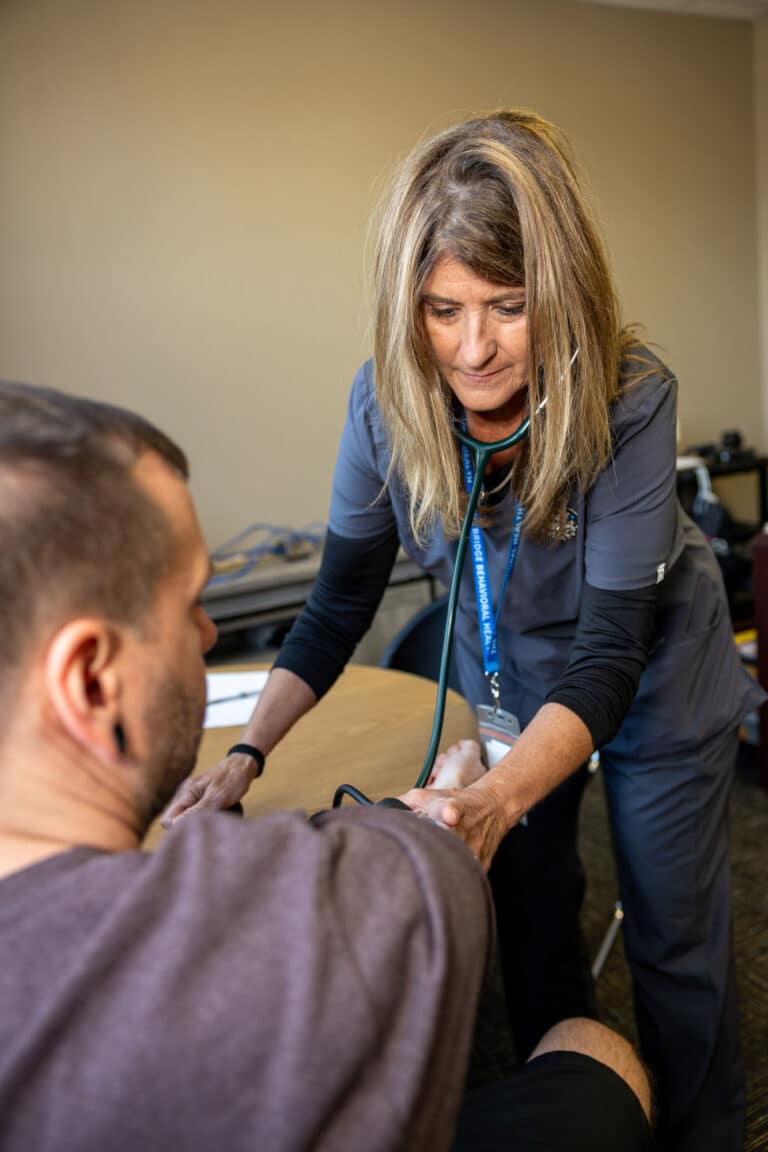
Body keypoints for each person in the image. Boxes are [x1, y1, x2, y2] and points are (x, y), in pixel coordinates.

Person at [162, 110, 757, 1152]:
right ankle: (569, 1098)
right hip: (515, 666)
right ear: (409, 309)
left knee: (672, 932)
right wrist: (246, 756)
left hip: (655, 669)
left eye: (508, 308)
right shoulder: (382, 406)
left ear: (559, 295)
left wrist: (495, 795)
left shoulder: (630, 399)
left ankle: (706, 1133)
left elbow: (610, 654)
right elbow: (337, 604)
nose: (474, 347)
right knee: (528, 903)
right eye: (443, 310)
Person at [0, 380, 653, 1152]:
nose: (207, 634)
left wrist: (246, 754)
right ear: (89, 679)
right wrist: (454, 788)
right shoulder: (327, 903)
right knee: (594, 1047)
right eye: (187, 605)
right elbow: (433, 852)